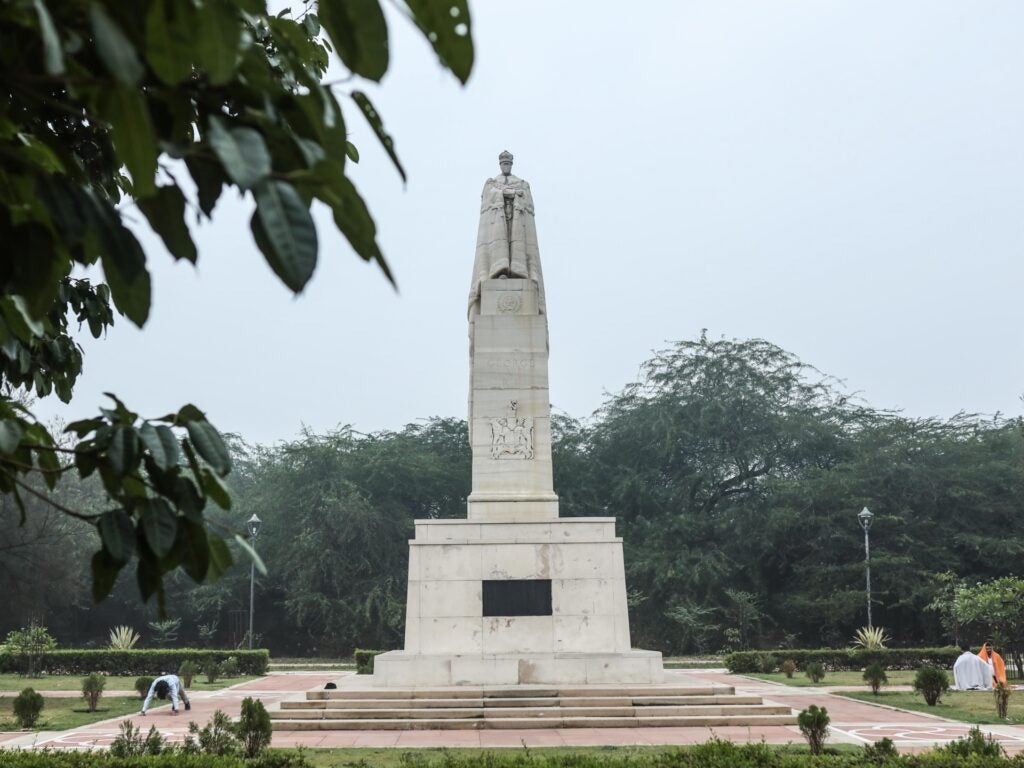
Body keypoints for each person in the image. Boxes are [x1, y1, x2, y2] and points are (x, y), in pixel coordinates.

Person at [468, 150, 546, 318]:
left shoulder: (522, 183)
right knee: (498, 246)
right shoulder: (491, 183)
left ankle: (519, 271)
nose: (506, 166)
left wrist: (516, 197)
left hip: (517, 222)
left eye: (508, 163)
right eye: (503, 163)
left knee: (519, 245)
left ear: (511, 164)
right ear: (500, 165)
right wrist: (507, 194)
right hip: (497, 223)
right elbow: (487, 201)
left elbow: (529, 205)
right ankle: (499, 271)